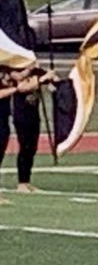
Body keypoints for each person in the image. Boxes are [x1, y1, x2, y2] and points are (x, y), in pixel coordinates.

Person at [0, 64, 53, 194]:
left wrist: (49, 77)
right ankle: (22, 183)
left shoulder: (31, 69)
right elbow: (22, 83)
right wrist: (35, 78)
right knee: (22, 146)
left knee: (30, 147)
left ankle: (25, 181)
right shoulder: (10, 70)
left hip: (28, 114)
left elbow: (49, 78)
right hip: (20, 114)